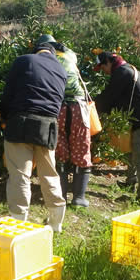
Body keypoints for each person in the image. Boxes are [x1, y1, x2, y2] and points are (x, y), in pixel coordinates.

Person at [0, 42, 68, 232]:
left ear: (36, 51)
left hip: (20, 122)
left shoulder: (24, 61)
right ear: (53, 54)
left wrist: (5, 117)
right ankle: (56, 223)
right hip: (48, 125)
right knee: (49, 174)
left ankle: (19, 221)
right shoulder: (61, 70)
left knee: (20, 174)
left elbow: (8, 94)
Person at [94, 52, 140, 204]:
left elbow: (109, 97)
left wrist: (92, 106)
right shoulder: (126, 69)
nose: (103, 71)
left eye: (102, 67)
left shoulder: (122, 72)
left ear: (108, 62)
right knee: (132, 152)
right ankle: (130, 182)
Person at [35, 34, 92, 207]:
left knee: (59, 151)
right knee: (81, 148)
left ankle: (62, 197)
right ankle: (79, 198)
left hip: (56, 107)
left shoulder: (42, 58)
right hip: (78, 106)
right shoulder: (70, 55)